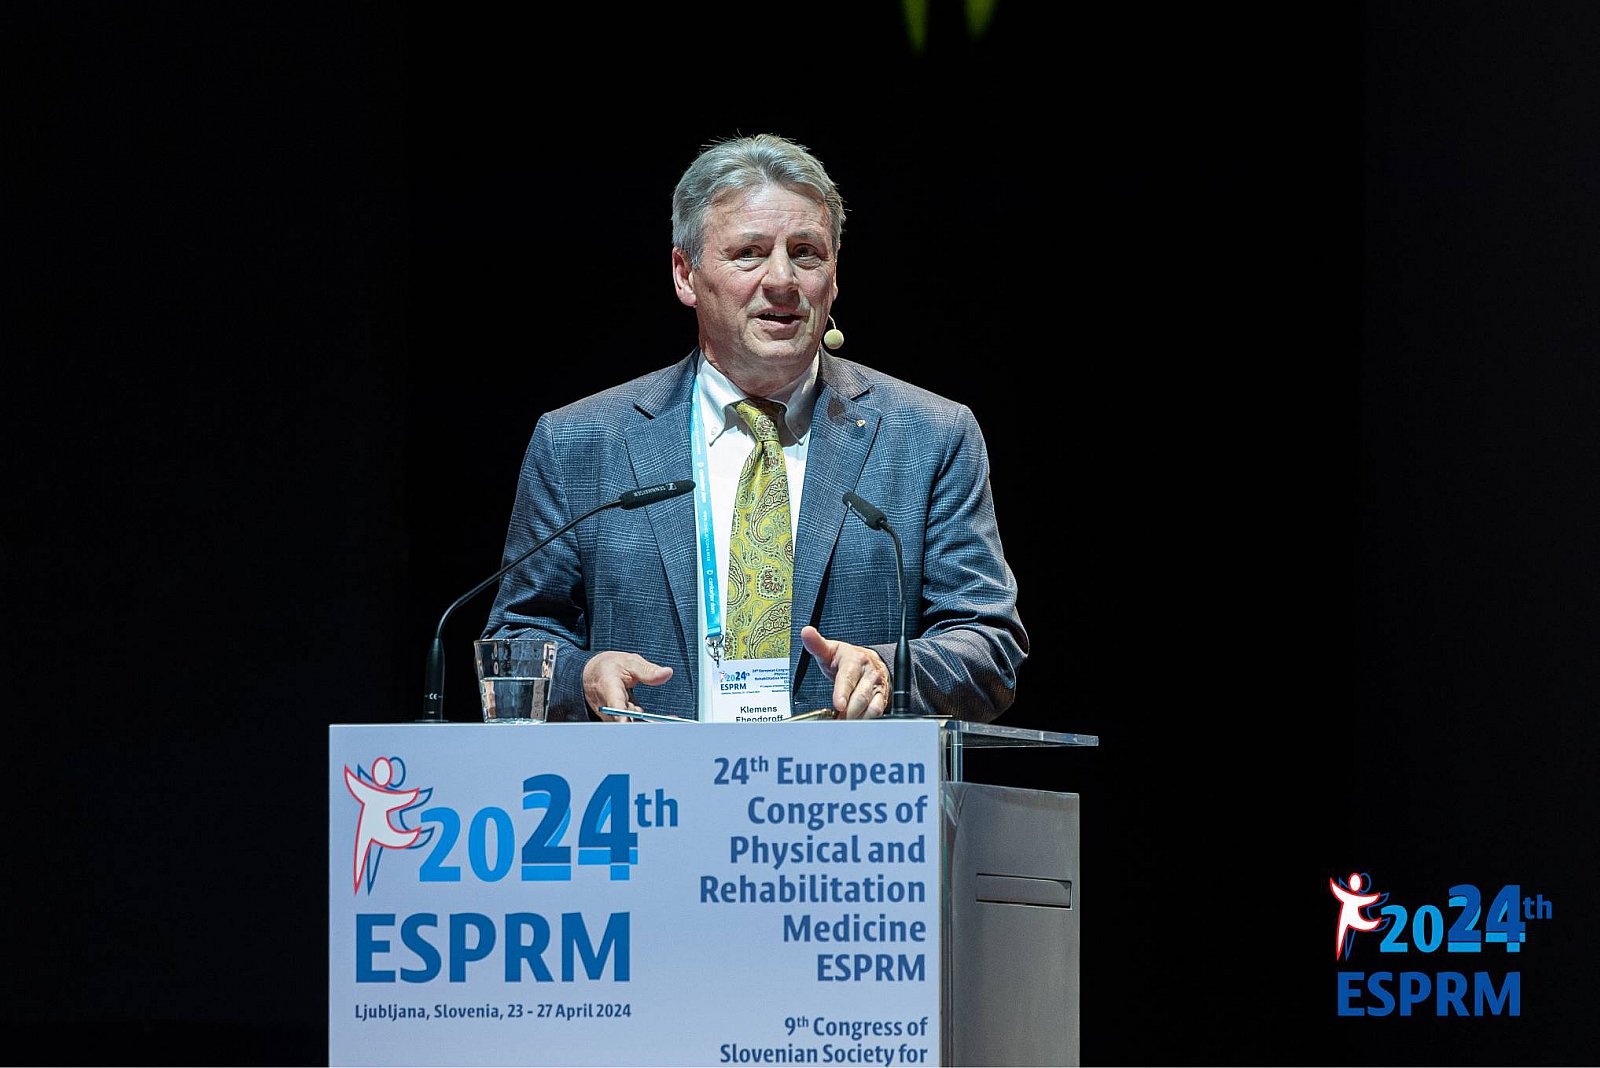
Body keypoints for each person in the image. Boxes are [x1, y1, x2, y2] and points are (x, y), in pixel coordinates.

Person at [481, 132, 1027, 723]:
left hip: (845, 780)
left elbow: (988, 644)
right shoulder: (580, 443)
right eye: (749, 252)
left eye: (806, 253)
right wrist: (584, 677)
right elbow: (516, 639)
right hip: (650, 778)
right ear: (685, 274)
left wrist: (888, 672)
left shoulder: (929, 435)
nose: (782, 280)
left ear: (834, 276)